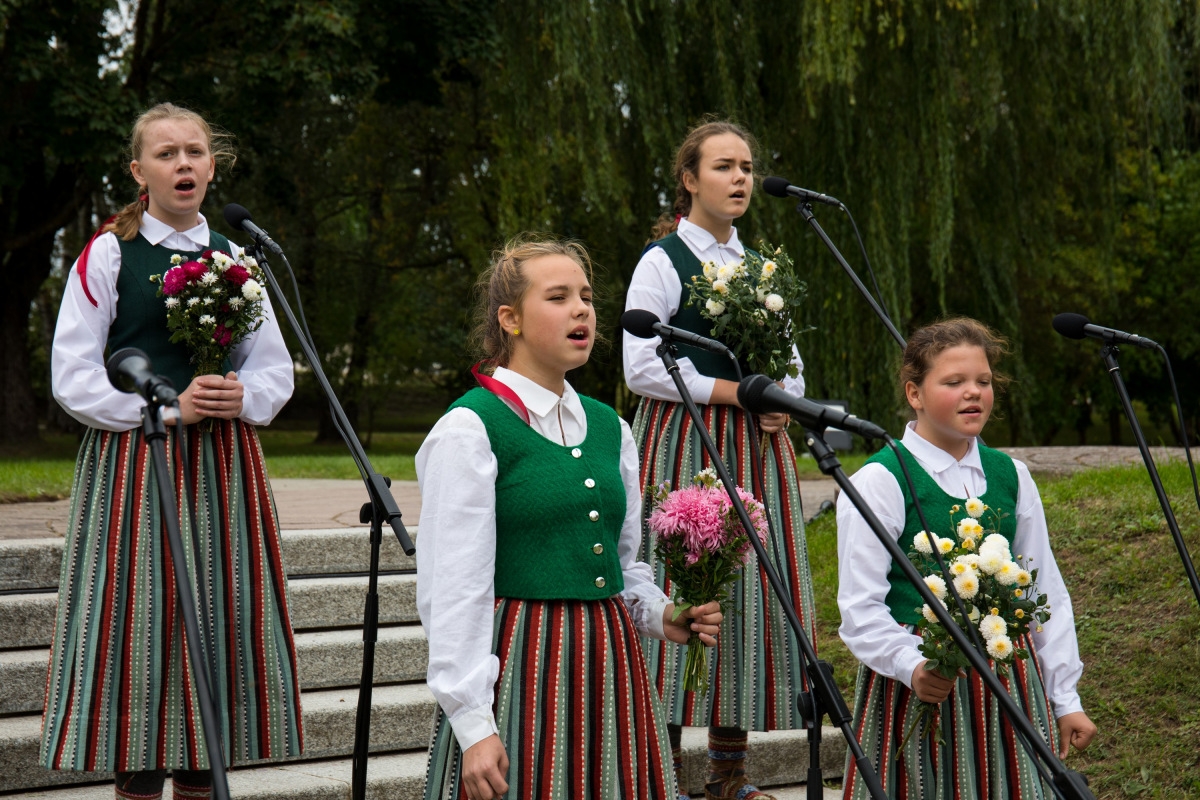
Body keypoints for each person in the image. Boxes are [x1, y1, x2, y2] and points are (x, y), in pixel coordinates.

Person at [42, 103, 302, 800]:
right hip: (136, 463)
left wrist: (239, 397)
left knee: (214, 627)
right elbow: (72, 377)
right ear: (139, 171)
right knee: (140, 629)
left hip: (221, 466)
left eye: (195, 152)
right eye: (166, 154)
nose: (183, 163)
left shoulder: (237, 257)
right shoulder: (109, 252)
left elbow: (275, 372)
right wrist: (159, 407)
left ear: (213, 166)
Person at [417, 236, 724, 800]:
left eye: (586, 295)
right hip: (522, 662)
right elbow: (453, 588)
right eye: (558, 297)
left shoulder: (612, 428)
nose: (582, 308)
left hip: (610, 661)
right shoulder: (470, 428)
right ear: (510, 318)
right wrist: (472, 722)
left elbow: (624, 563)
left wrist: (661, 613)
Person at [623, 120, 817, 800]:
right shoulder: (663, 261)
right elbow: (640, 363)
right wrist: (739, 391)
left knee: (742, 599)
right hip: (684, 441)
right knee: (680, 588)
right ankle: (658, 772)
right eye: (723, 166)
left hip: (755, 449)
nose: (739, 178)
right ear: (689, 178)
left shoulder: (762, 265)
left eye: (746, 167)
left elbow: (791, 365)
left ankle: (726, 777)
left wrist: (780, 403)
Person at [836, 317, 1098, 798]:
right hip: (922, 681)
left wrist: (1065, 698)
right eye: (953, 382)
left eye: (983, 381)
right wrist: (911, 664)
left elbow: (1043, 591)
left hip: (1007, 681)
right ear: (914, 394)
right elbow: (859, 608)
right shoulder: (881, 479)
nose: (973, 393)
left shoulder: (1010, 474)